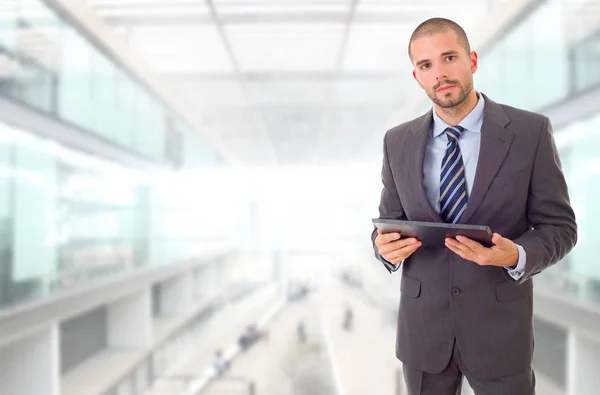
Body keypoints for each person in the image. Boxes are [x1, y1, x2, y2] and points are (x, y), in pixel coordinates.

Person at [371, 17, 577, 395]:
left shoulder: (530, 132)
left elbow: (561, 227)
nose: (440, 73)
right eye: (426, 65)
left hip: (500, 335)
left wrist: (515, 254)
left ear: (473, 61)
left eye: (449, 58)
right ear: (417, 76)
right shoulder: (396, 141)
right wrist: (383, 248)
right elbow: (389, 222)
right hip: (423, 335)